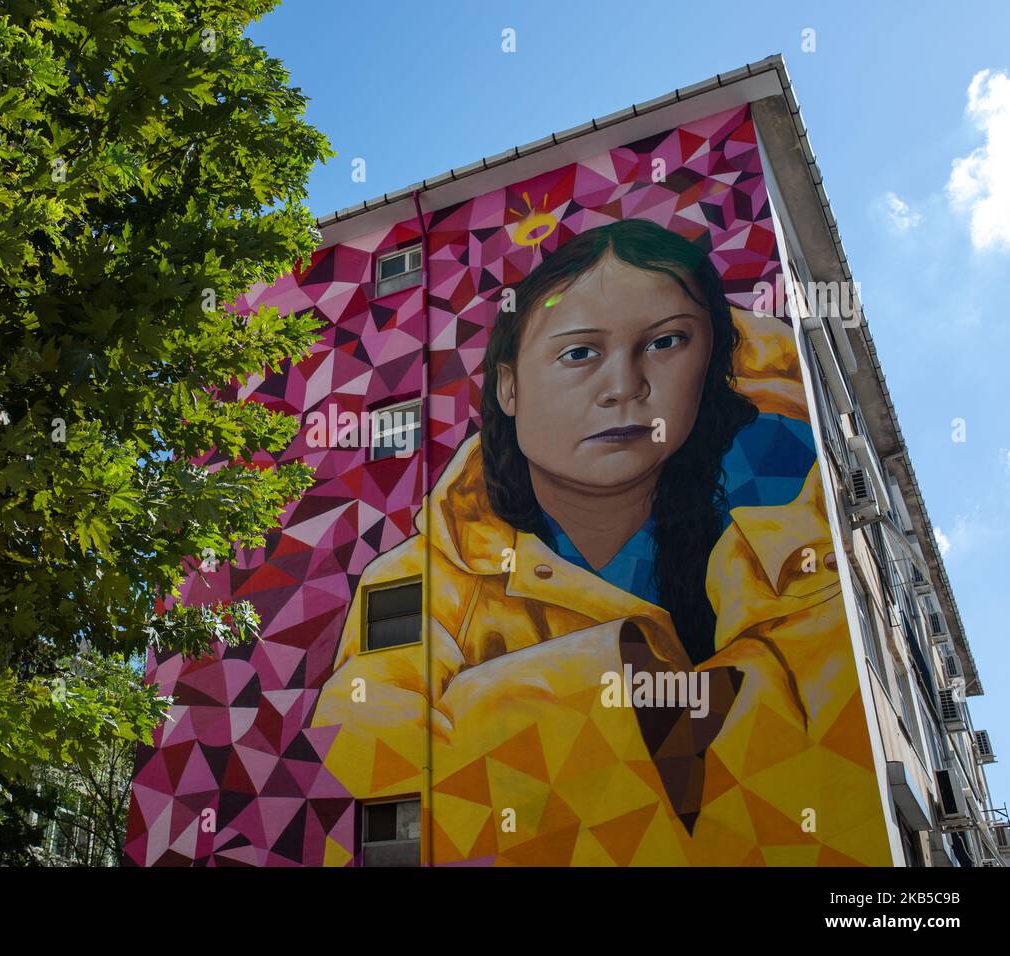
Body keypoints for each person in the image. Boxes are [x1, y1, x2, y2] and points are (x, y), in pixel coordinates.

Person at [310, 219, 891, 866]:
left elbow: (795, 747)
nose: (625, 386)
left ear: (711, 360)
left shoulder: (785, 496)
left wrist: (511, 711)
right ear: (509, 386)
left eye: (667, 342)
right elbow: (362, 757)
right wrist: (632, 691)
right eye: (579, 353)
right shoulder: (433, 567)